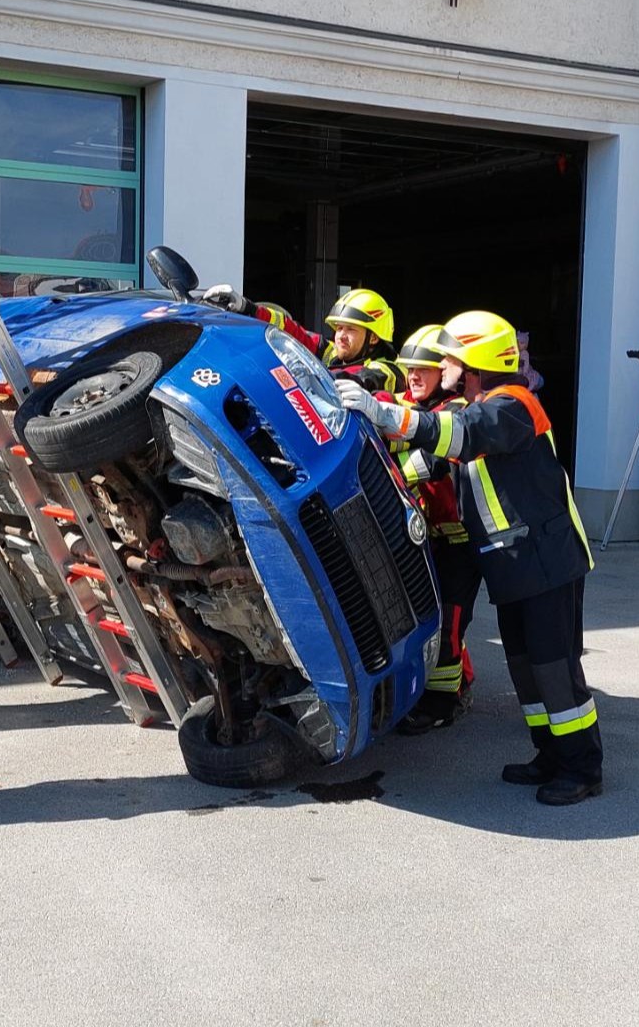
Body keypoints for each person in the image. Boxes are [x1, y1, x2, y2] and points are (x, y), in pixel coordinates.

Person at [337, 310, 602, 804]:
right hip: (514, 565)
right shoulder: (480, 409)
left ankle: (583, 767)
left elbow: (459, 434)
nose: (444, 365)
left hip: (544, 563)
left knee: (554, 671)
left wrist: (385, 415)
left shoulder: (512, 405)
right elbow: (433, 456)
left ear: (474, 362)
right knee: (526, 668)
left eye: (452, 359)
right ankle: (549, 754)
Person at [388, 324, 478, 733]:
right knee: (418, 618)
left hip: (460, 543)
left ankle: (443, 703)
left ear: (444, 371)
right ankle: (449, 682)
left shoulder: (459, 411)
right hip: (419, 538)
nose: (414, 376)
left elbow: (434, 458)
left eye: (423, 369)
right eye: (409, 369)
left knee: (450, 621)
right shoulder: (404, 403)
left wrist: (396, 474)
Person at [202, 284, 405, 394]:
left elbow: (358, 379)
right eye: (339, 328)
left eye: (350, 329)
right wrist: (249, 309)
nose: (341, 336)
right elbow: (293, 333)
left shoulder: (389, 370)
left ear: (373, 338)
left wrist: (302, 375)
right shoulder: (333, 354)